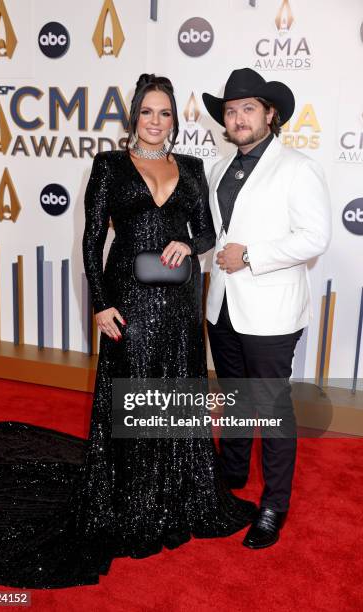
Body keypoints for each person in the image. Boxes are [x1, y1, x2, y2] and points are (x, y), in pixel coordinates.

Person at [0, 74, 256, 590]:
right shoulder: (110, 166)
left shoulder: (192, 167)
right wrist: (100, 304)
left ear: (174, 120)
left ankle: (178, 492)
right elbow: (91, 240)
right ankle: (134, 498)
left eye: (165, 113)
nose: (157, 122)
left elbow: (206, 231)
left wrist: (189, 244)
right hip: (130, 304)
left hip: (182, 305)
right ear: (133, 116)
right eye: (147, 112)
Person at [202, 68, 331, 549]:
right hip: (223, 307)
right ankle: (232, 475)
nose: (238, 118)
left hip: (272, 311)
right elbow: (213, 237)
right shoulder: (217, 170)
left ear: (270, 115)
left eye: (248, 108)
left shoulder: (297, 167)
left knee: (273, 410)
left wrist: (252, 254)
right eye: (231, 111)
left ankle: (274, 505)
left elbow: (315, 238)